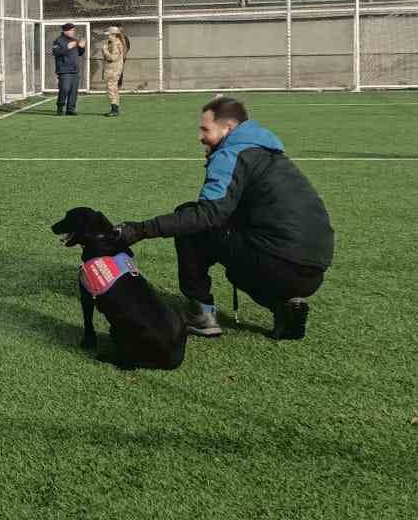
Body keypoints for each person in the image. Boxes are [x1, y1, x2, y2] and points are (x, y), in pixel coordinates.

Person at [103, 97, 334, 341]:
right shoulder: (270, 154)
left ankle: (201, 314)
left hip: (276, 262)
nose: (200, 137)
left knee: (191, 221)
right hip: (313, 272)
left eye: (205, 129)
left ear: (228, 128)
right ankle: (286, 306)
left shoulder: (233, 154)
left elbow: (206, 216)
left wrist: (139, 230)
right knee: (232, 237)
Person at [52, 22, 85, 116]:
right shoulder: (58, 41)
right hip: (64, 70)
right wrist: (67, 47)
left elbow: (79, 53)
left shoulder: (75, 40)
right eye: (71, 30)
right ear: (65, 31)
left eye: (74, 30)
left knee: (73, 90)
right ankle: (60, 107)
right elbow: (56, 52)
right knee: (64, 89)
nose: (73, 32)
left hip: (74, 69)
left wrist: (82, 47)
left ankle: (71, 109)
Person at [100, 26, 130, 118]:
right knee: (114, 89)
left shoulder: (116, 43)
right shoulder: (114, 42)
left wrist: (104, 50)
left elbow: (113, 58)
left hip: (113, 70)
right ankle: (115, 108)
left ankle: (114, 110)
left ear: (113, 34)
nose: (107, 36)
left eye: (109, 34)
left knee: (112, 89)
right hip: (112, 69)